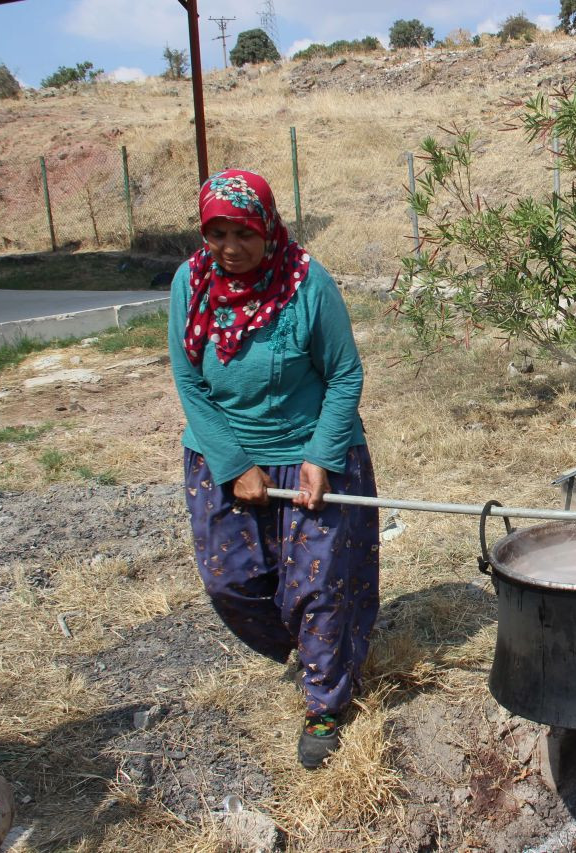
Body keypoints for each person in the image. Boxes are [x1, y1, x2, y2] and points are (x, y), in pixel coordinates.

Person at [168, 169, 380, 770]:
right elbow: (189, 378)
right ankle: (314, 650)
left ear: (268, 228)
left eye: (244, 232)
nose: (231, 248)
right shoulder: (191, 281)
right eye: (218, 233)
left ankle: (325, 700)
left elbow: (344, 374)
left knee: (317, 587)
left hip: (311, 451)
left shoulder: (306, 283)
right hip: (223, 455)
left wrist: (319, 458)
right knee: (231, 582)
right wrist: (234, 464)